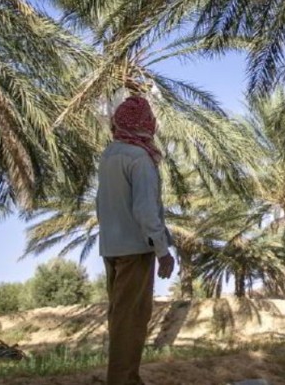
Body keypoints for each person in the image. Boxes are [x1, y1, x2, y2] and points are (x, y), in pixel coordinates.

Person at [96, 95, 175, 385]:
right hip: (135, 250)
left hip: (111, 249)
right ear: (147, 125)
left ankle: (125, 377)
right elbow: (144, 209)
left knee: (119, 317)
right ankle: (123, 380)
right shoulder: (140, 158)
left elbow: (99, 204)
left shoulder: (109, 155)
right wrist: (162, 250)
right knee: (132, 320)